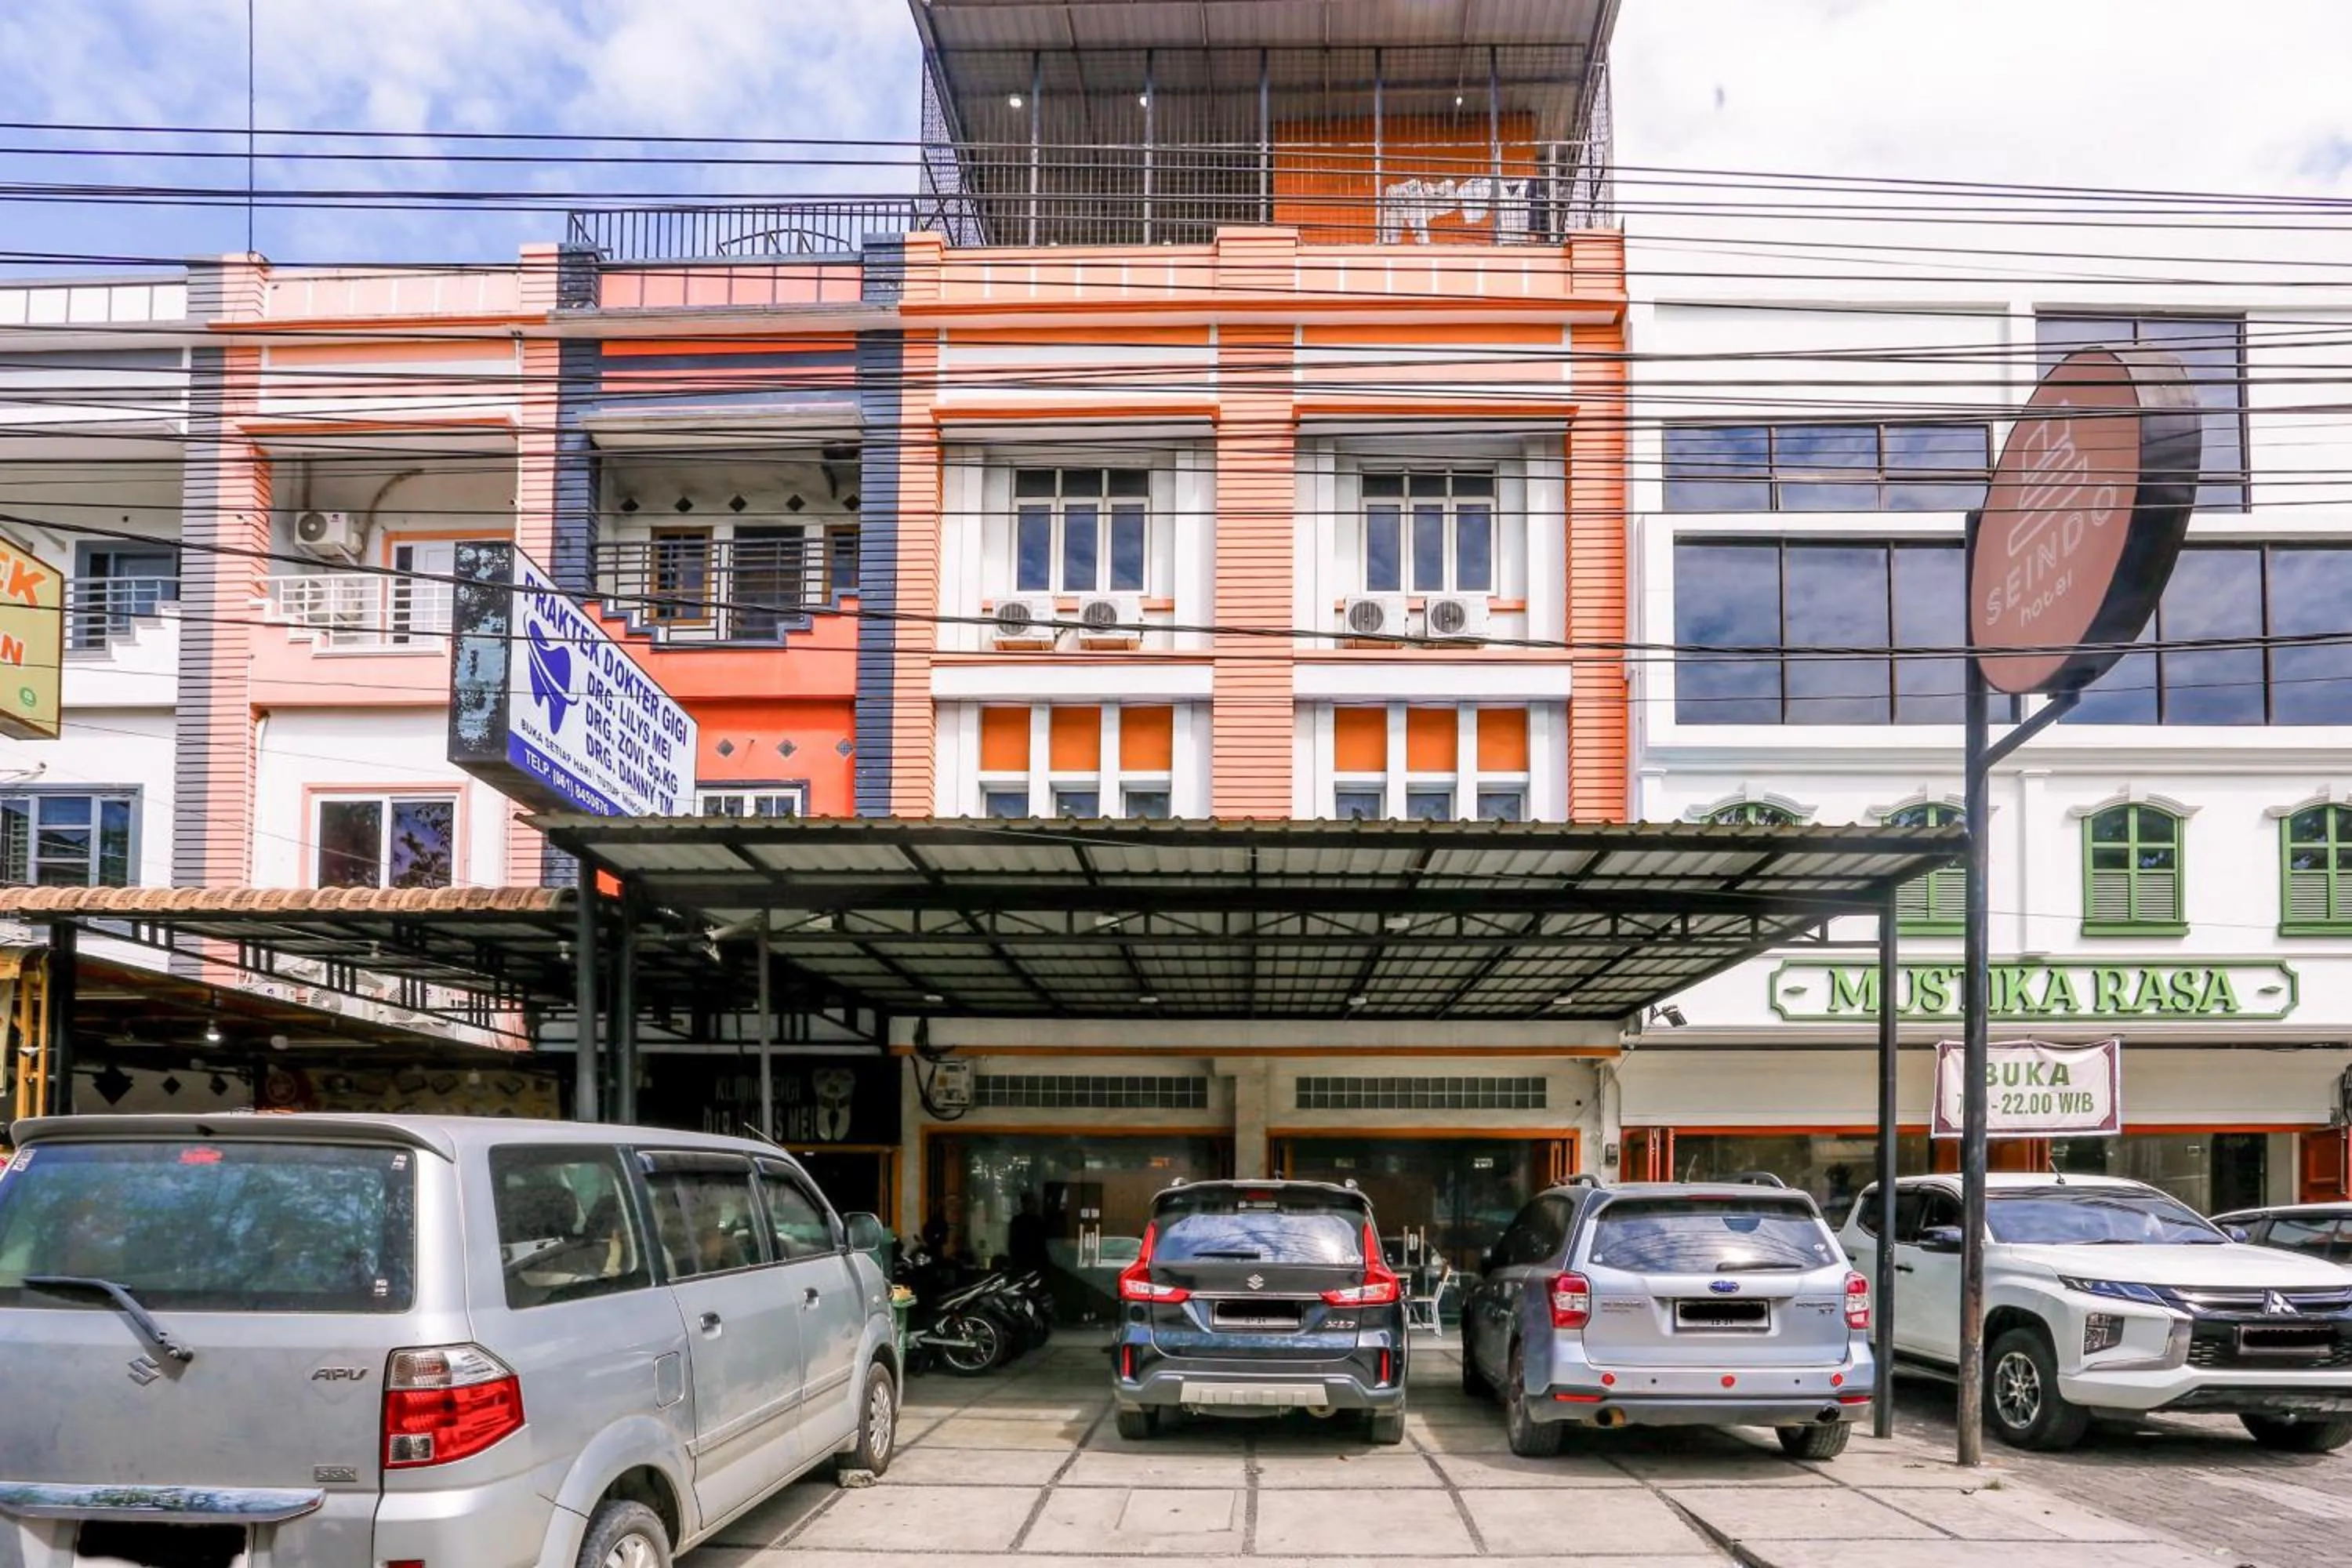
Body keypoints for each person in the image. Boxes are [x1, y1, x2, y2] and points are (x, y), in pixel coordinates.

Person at [1007, 1190, 1049, 1273]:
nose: (1035, 1205)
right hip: (1023, 1265)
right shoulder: (1018, 1222)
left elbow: (1042, 1245)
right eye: (1032, 1202)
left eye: (1035, 1203)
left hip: (1037, 1265)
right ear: (1024, 1205)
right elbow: (1013, 1245)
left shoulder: (1039, 1221)